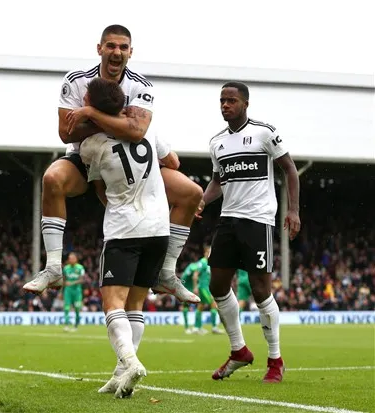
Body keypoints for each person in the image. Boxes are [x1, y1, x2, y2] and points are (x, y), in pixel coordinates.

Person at [23, 24, 202, 304]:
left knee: (192, 193)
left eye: (122, 47)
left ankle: (166, 273)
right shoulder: (76, 80)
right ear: (99, 49)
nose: (116, 52)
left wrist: (91, 113)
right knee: (51, 178)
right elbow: (66, 133)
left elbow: (137, 132)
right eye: (111, 46)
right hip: (88, 158)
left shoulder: (141, 85)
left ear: (131, 52)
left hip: (133, 162)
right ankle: (54, 268)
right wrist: (119, 120)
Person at [199, 81, 301, 383]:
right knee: (216, 285)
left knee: (260, 290)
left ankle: (275, 359)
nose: (225, 105)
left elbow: (290, 170)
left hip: (257, 220)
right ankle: (238, 350)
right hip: (228, 220)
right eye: (221, 100)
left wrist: (292, 209)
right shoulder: (216, 142)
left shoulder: (264, 133)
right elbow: (218, 182)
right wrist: (201, 202)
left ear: (245, 103)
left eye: (231, 100)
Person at [79, 77, 173, 398]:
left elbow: (96, 186)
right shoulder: (148, 129)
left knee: (112, 304)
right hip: (160, 228)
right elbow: (172, 162)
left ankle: (131, 362)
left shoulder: (91, 144)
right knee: (135, 305)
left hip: (124, 229)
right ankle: (121, 376)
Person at [191, 246, 224, 335]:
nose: (210, 253)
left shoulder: (210, 263)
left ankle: (196, 327)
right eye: (209, 252)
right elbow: (195, 275)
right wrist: (195, 287)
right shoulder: (203, 262)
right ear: (205, 253)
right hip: (203, 287)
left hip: (207, 287)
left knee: (201, 306)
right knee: (213, 304)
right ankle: (214, 327)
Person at [62, 252, 85, 331]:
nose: (70, 260)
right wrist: (62, 289)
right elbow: (64, 280)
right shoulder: (66, 268)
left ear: (76, 259)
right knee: (66, 308)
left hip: (77, 291)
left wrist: (71, 283)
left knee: (77, 308)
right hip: (68, 291)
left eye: (72, 258)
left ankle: (76, 325)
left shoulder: (80, 268)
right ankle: (67, 325)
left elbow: (82, 280)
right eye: (69, 258)